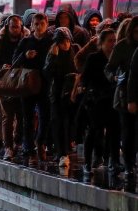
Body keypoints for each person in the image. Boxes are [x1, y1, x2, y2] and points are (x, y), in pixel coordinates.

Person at [12, 13, 53, 163]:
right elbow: (15, 62)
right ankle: (28, 147)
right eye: (36, 24)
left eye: (41, 24)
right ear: (32, 25)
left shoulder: (51, 41)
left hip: (45, 84)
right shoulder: (26, 42)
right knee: (27, 118)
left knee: (45, 116)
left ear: (46, 24)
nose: (38, 27)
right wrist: (25, 56)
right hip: (28, 84)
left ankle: (40, 142)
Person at [0, 14, 25, 158]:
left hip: (18, 83)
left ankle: (15, 141)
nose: (15, 30)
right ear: (8, 27)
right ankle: (0, 142)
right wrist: (1, 67)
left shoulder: (24, 42)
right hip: (0, 82)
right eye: (12, 27)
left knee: (19, 116)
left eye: (17, 27)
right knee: (3, 115)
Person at [80, 29, 118, 181]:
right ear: (101, 43)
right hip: (96, 100)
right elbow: (86, 78)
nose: (113, 44)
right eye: (110, 41)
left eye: (114, 40)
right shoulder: (94, 58)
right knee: (95, 131)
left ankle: (111, 160)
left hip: (112, 99)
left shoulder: (116, 58)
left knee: (113, 131)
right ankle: (88, 162)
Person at [104, 17, 138, 181]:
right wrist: (114, 78)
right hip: (124, 95)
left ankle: (131, 162)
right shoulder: (122, 47)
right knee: (127, 130)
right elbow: (109, 68)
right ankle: (129, 164)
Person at [44, 27, 80, 167]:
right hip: (57, 92)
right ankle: (62, 153)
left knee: (69, 122)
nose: (64, 44)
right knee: (58, 122)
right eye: (61, 42)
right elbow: (47, 73)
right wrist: (53, 57)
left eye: (66, 41)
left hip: (72, 92)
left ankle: (67, 148)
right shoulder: (52, 53)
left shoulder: (75, 50)